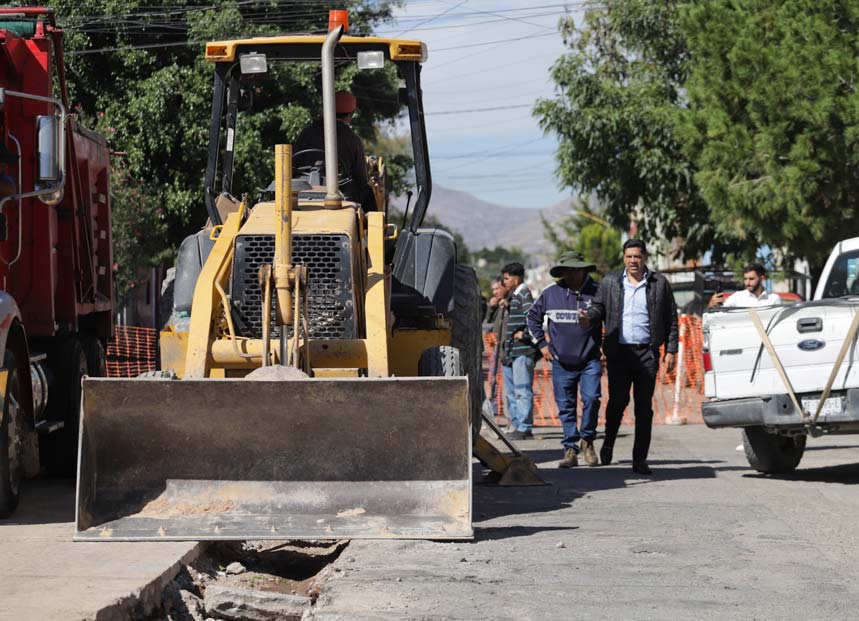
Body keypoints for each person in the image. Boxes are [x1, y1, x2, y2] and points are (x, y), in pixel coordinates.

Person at [580, 239, 678, 475]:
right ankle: (609, 442)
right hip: (619, 353)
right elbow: (598, 307)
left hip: (647, 353)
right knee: (618, 402)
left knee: (644, 408)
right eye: (629, 256)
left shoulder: (659, 284)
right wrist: (588, 317)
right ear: (623, 258)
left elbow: (671, 319)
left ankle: (640, 459)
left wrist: (671, 350)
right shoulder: (611, 282)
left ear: (645, 258)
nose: (633, 261)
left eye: (637, 256)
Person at [527, 251, 602, 468]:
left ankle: (587, 440)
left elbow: (612, 319)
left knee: (592, 399)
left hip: (590, 360)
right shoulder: (550, 293)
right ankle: (570, 448)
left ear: (583, 270)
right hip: (560, 362)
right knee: (566, 406)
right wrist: (542, 345)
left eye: (574, 270)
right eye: (566, 270)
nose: (570, 274)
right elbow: (532, 317)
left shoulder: (597, 291)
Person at [294, 90, 377, 210]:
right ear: (351, 114)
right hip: (340, 192)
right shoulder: (353, 140)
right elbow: (361, 178)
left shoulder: (306, 133)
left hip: (302, 189)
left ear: (327, 109)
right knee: (367, 191)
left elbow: (294, 164)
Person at [500, 262, 540, 440]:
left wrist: (524, 335)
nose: (504, 282)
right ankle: (517, 424)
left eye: (506, 278)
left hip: (523, 351)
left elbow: (533, 318)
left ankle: (524, 427)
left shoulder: (524, 294)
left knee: (522, 390)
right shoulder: (515, 295)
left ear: (516, 279)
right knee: (513, 391)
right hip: (513, 351)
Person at [708, 263, 781, 308]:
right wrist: (711, 305)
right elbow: (719, 315)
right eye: (745, 279)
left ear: (762, 279)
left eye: (751, 279)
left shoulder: (773, 299)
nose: (747, 283)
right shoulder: (737, 297)